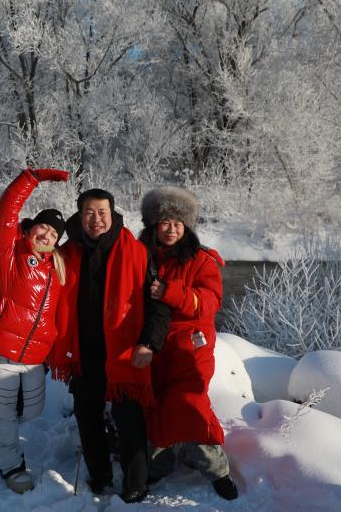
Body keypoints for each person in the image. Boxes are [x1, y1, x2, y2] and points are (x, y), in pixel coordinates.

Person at [49, 188, 170, 503]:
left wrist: (149, 343)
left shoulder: (136, 252)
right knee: (87, 419)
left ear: (113, 214)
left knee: (129, 421)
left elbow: (158, 305)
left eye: (102, 212)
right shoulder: (66, 253)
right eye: (89, 212)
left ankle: (136, 484)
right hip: (82, 353)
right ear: (80, 215)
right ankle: (99, 476)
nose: (96, 219)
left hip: (123, 354)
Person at [0, 167, 69, 494]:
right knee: (6, 414)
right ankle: (11, 466)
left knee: (31, 411)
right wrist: (32, 178)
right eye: (43, 227)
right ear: (31, 227)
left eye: (54, 234)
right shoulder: (9, 251)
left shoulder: (56, 269)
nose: (47, 235)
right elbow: (4, 211)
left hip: (34, 357)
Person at [138, 186, 239, 501]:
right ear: (153, 225)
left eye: (178, 223)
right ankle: (159, 464)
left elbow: (210, 301)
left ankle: (217, 470)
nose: (171, 229)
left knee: (189, 404)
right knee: (156, 405)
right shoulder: (141, 255)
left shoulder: (201, 259)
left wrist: (171, 293)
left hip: (191, 345)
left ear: (187, 226)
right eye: (165, 222)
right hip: (154, 344)